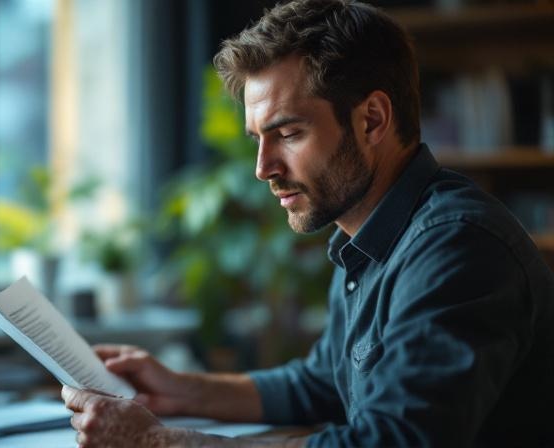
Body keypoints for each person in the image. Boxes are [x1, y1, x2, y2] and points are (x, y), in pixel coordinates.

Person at [62, 0, 554, 446]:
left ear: (372, 120)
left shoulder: (457, 245)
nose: (262, 167)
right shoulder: (367, 233)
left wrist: (159, 443)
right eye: (258, 138)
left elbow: (396, 443)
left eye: (289, 133)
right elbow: (321, 382)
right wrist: (176, 388)